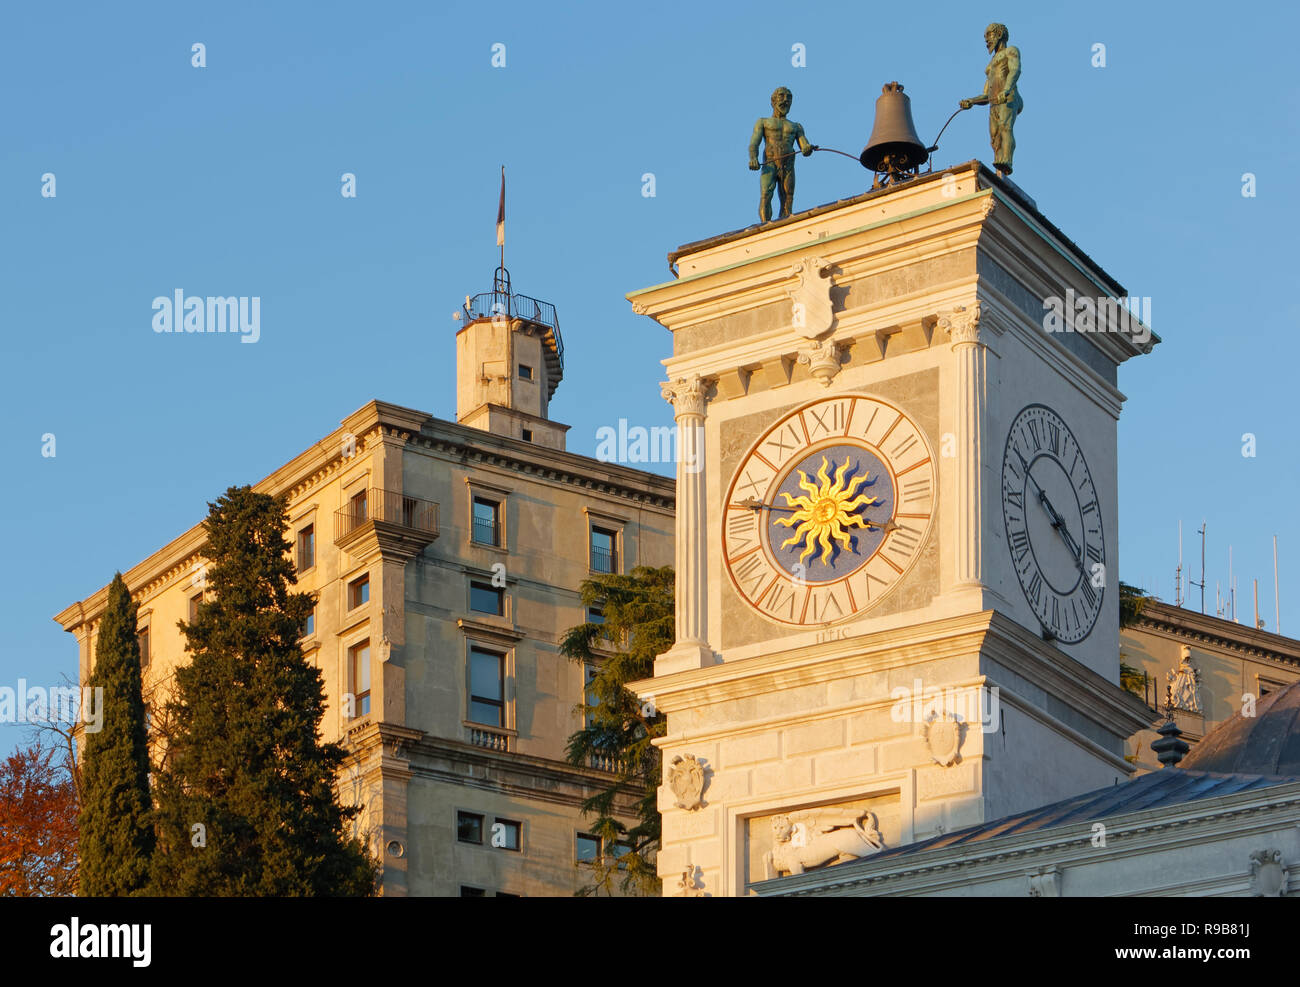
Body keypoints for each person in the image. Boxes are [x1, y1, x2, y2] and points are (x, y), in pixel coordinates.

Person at [960, 23, 1023, 176]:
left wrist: (1006, 90)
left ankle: (1006, 161)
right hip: (995, 101)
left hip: (1008, 98)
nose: (986, 40)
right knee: (994, 137)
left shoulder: (1011, 51)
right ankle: (998, 161)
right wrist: (972, 101)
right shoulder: (990, 65)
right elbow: (986, 94)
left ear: (999, 34)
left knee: (1005, 127)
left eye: (989, 35)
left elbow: (1015, 70)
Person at [748, 87, 813, 223]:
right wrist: (753, 158)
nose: (785, 100)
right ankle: (765, 225)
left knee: (788, 196)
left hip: (788, 164)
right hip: (770, 163)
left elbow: (804, 144)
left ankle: (785, 224)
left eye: (789, 98)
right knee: (766, 194)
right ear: (773, 101)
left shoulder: (796, 126)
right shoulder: (763, 122)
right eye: (782, 96)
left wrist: (807, 148)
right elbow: (754, 143)